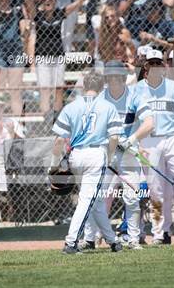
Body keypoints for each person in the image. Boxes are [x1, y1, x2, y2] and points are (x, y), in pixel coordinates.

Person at [80, 60, 154, 251]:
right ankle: (90, 239)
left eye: (116, 76)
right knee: (96, 196)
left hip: (128, 154)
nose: (113, 80)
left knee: (131, 197)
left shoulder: (135, 97)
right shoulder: (100, 98)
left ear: (122, 77)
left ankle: (133, 239)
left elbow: (149, 123)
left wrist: (131, 140)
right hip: (105, 154)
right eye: (110, 77)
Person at [50, 71, 124, 254]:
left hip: (76, 157)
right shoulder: (108, 106)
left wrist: (53, 165)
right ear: (101, 88)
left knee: (95, 200)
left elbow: (59, 140)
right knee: (86, 200)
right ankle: (71, 242)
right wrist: (110, 156)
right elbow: (114, 136)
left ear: (84, 86)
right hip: (95, 155)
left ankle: (113, 241)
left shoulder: (71, 106)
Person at [135, 49, 174, 245]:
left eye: (159, 63)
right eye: (152, 64)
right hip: (149, 142)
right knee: (156, 191)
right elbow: (132, 119)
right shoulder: (138, 88)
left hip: (171, 139)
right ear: (146, 67)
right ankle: (159, 233)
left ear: (164, 66)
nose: (155, 67)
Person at [29, 0, 97, 120]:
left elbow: (77, 4)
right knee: (45, 89)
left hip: (58, 57)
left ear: (55, 1)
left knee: (59, 88)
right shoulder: (38, 15)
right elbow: (30, 6)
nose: (48, 0)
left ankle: (57, 116)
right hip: (43, 58)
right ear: (42, 1)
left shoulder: (59, 14)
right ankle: (46, 117)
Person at [0, 0, 33, 116]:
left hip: (15, 52)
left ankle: (18, 123)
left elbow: (24, 26)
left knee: (16, 90)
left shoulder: (17, 10)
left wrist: (25, 32)